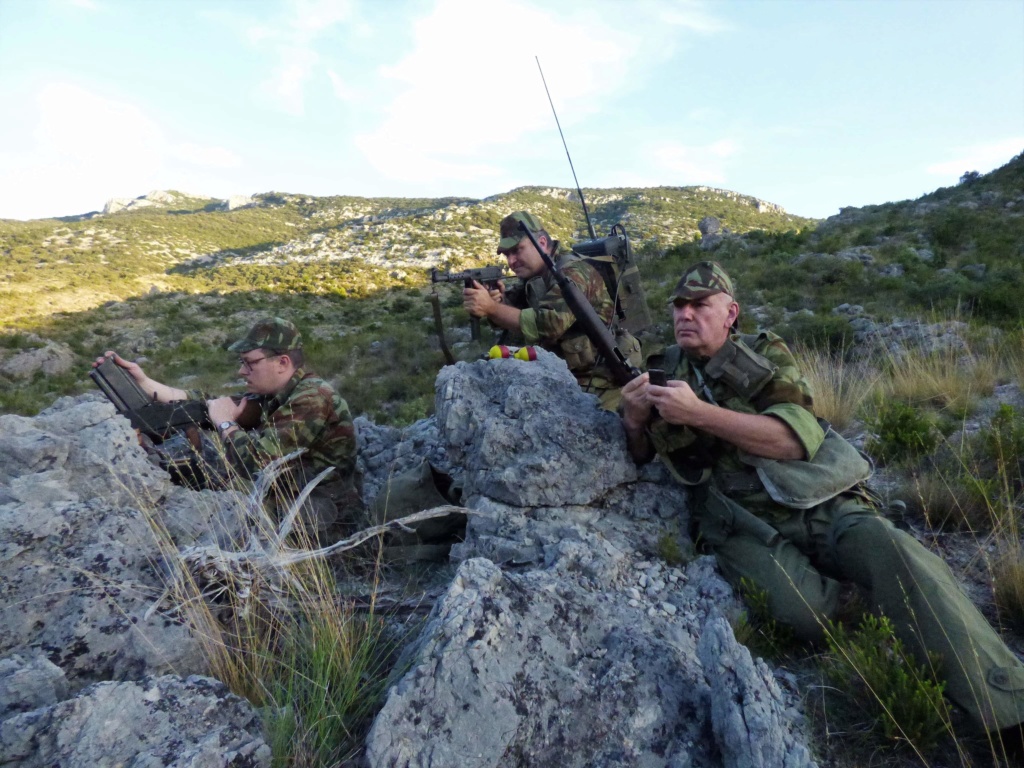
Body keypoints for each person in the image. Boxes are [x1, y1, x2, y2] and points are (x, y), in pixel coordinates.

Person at [619, 260, 1024, 744]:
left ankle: (1007, 706)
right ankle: (870, 599)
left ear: (730, 313)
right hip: (744, 521)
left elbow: (793, 441)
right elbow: (643, 456)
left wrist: (700, 413)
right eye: (679, 306)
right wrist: (634, 421)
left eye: (700, 305)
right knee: (805, 619)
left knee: (898, 552)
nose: (685, 314)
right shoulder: (664, 368)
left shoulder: (765, 355)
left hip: (816, 499)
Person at [95, 317, 362, 532]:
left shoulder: (311, 398)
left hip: (322, 512)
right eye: (241, 363)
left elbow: (256, 463)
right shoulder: (277, 393)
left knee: (203, 520)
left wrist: (225, 425)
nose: (241, 371)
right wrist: (143, 382)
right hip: (292, 494)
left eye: (250, 363)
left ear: (282, 362)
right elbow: (207, 404)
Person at [462, 210, 641, 409]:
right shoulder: (534, 277)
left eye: (517, 250)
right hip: (561, 378)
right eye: (507, 255)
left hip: (601, 381)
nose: (511, 262)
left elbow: (550, 323)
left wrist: (492, 308)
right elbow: (516, 320)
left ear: (542, 243)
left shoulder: (574, 272)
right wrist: (499, 301)